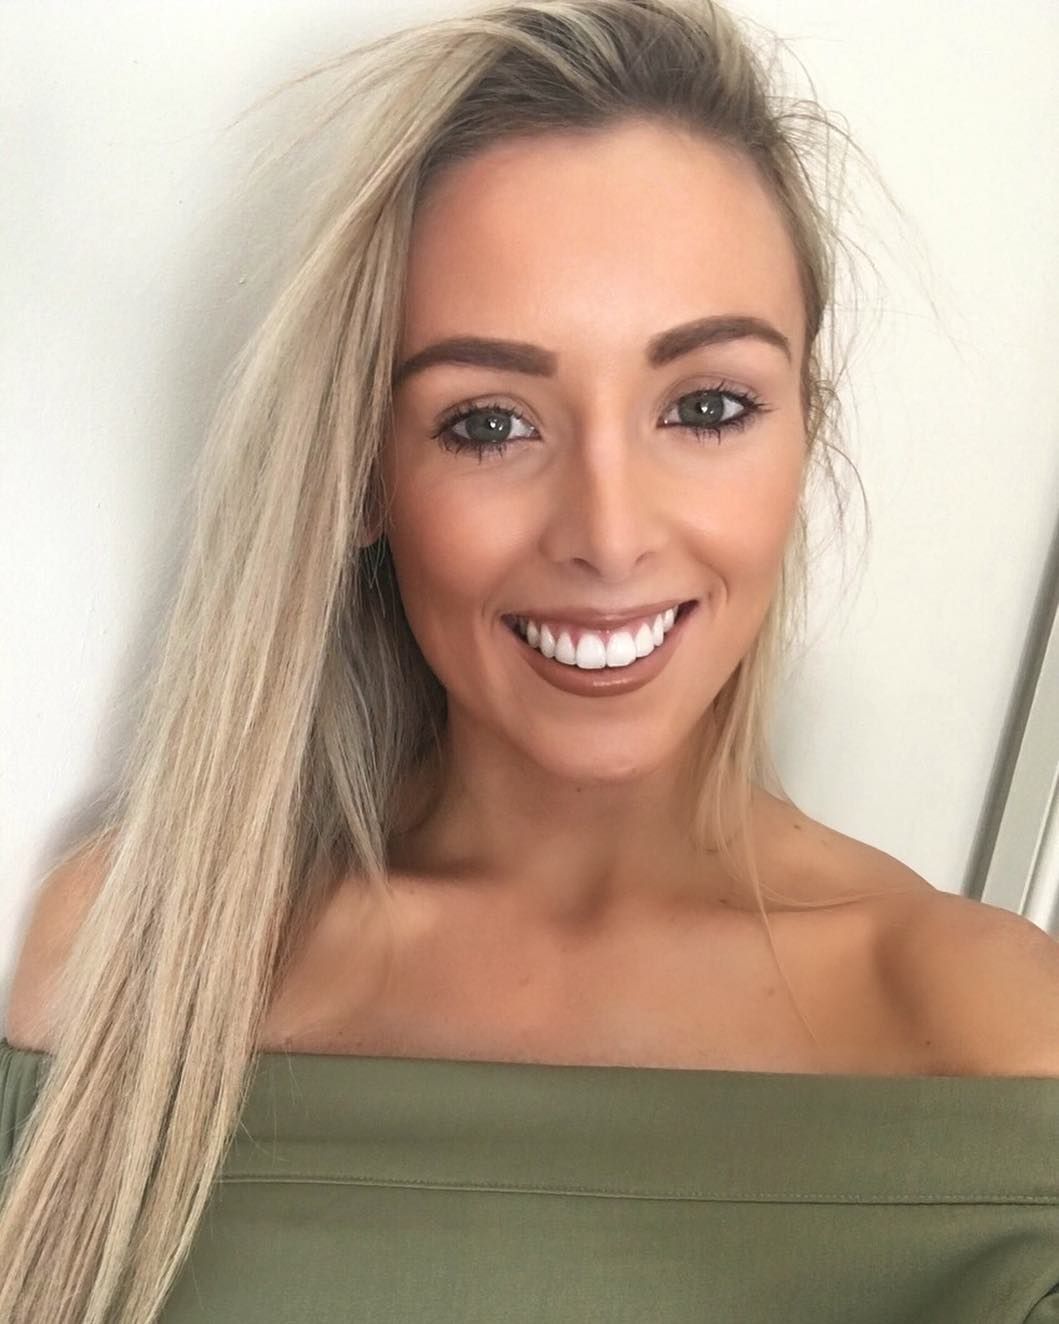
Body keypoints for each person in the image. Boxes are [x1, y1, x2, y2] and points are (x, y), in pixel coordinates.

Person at [1, 1, 1057, 1320]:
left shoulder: (1000, 1034)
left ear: (806, 432)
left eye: (707, 407)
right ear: (365, 473)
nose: (608, 535)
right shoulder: (132, 957)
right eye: (489, 423)